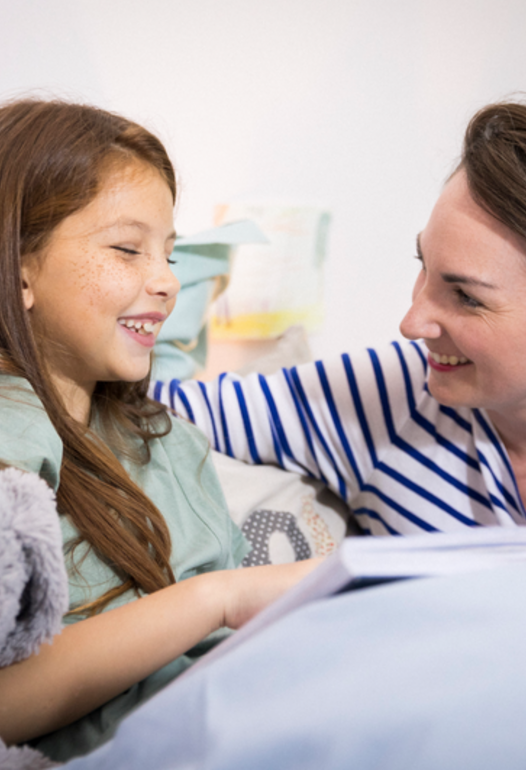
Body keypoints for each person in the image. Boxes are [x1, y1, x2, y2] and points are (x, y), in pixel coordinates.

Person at [0, 99, 317, 763]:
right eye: (127, 249)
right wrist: (220, 598)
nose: (167, 283)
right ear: (19, 268)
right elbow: (8, 703)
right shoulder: (13, 439)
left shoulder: (168, 440)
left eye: (169, 254)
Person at [152, 101, 526, 561]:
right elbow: (148, 414)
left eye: (468, 298)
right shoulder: (391, 397)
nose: (412, 324)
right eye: (424, 267)